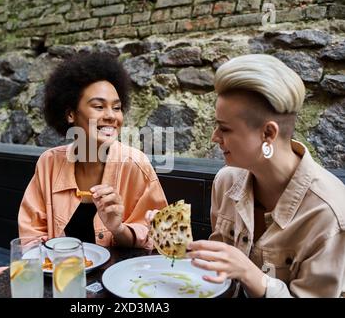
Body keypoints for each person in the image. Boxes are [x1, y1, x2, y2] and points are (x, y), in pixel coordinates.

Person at [183, 54, 345, 297]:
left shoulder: (329, 213)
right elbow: (217, 273)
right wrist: (174, 240)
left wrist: (251, 274)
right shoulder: (226, 181)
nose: (214, 137)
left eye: (224, 128)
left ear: (268, 133)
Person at [18, 51, 167, 248]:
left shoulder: (135, 164)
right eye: (99, 106)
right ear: (71, 114)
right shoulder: (49, 163)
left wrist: (119, 229)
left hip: (118, 276)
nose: (111, 116)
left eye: (116, 107)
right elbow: (31, 233)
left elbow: (159, 238)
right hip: (62, 275)